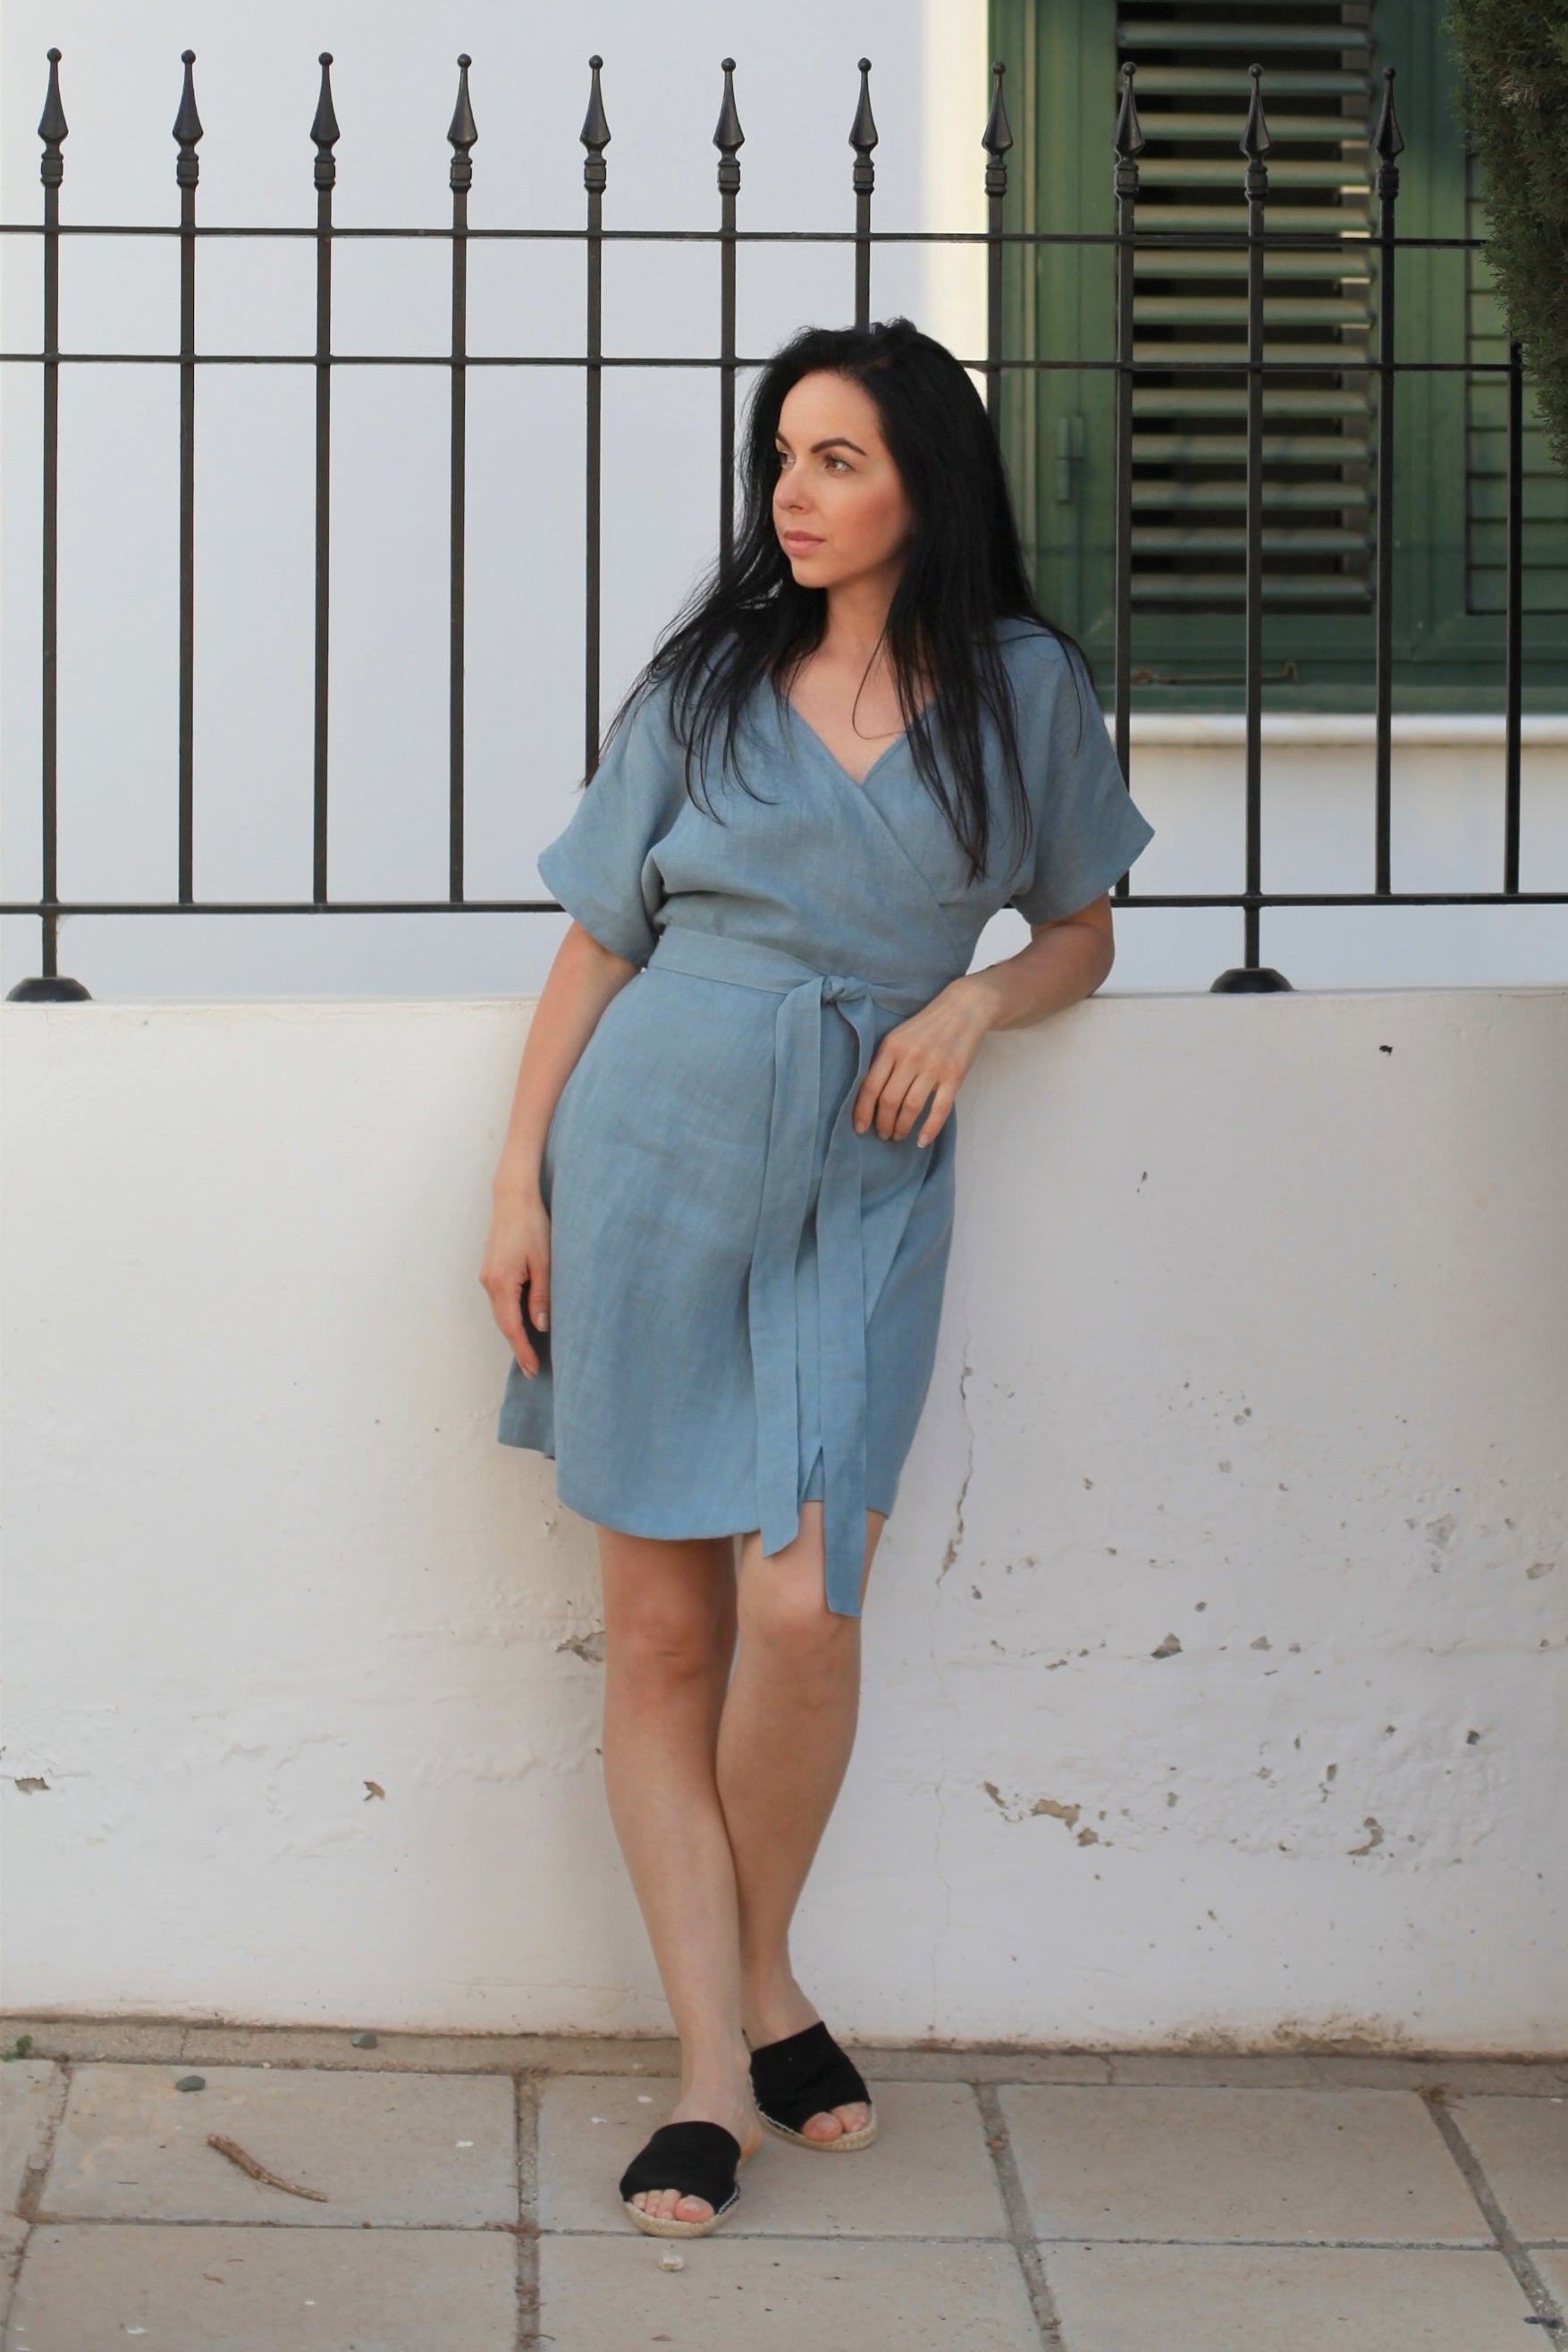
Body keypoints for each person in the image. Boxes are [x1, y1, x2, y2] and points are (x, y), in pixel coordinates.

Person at [479, 317, 1155, 2239]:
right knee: (667, 1634)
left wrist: (972, 995)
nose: (792, 488)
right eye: (782, 453)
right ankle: (718, 2059)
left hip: (867, 1167)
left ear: (925, 480)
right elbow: (597, 943)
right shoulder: (705, 686)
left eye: (839, 456)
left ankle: (760, 1966)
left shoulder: (1019, 688)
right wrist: (519, 1181)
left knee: (802, 1616)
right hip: (656, 1153)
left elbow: (1085, 932)